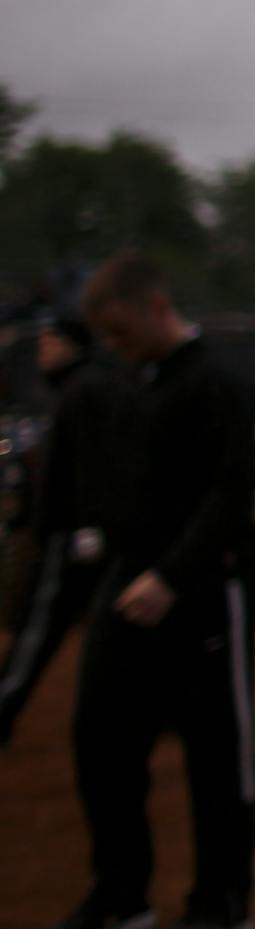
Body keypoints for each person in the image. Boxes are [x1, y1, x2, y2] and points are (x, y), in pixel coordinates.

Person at [32, 254, 255, 929]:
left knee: (215, 753)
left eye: (121, 331)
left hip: (203, 590)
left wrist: (172, 574)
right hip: (127, 583)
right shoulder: (127, 382)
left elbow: (232, 495)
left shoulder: (219, 383)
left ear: (157, 307)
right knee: (99, 735)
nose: (112, 345)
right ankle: (119, 895)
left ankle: (222, 902)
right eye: (104, 335)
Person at [0, 315, 130, 748]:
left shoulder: (85, 388)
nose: (43, 351)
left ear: (73, 346)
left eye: (50, 342)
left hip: (72, 534)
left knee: (39, 628)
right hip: (78, 532)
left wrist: (88, 524)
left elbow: (92, 463)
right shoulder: (75, 388)